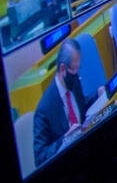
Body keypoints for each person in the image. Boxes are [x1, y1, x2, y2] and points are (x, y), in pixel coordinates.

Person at [32, 39, 105, 168]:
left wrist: (97, 94)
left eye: (78, 68)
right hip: (68, 166)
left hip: (87, 151)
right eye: (74, 69)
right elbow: (40, 158)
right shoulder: (44, 109)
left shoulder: (73, 81)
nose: (77, 74)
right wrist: (65, 139)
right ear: (62, 68)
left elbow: (80, 106)